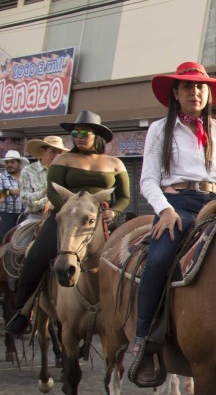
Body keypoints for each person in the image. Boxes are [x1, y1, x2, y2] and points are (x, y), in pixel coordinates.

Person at [125, 61, 216, 388]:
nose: (195, 92)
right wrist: (164, 210)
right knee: (158, 260)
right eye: (187, 87)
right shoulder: (161, 128)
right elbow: (147, 180)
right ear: (176, 92)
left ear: (208, 93)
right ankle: (145, 339)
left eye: (200, 87)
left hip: (215, 202)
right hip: (177, 205)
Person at [5, 112, 130, 335]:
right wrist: (66, 209)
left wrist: (114, 211)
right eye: (74, 132)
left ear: (96, 135)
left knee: (132, 258)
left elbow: (124, 196)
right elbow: (53, 190)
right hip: (64, 216)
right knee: (36, 255)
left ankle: (131, 312)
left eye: (84, 132)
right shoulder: (63, 159)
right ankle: (22, 311)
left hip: (99, 220)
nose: (78, 136)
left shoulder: (115, 162)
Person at [21, 136, 70, 221]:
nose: (57, 156)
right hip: (37, 216)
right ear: (42, 151)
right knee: (26, 234)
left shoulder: (65, 171)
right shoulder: (28, 171)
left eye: (59, 153)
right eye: (53, 152)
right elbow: (25, 199)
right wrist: (45, 192)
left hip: (63, 215)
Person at [0, 150, 29, 240]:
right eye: (7, 162)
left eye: (12, 162)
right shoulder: (1, 177)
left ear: (19, 163)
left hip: (25, 215)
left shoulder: (25, 177)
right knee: (3, 238)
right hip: (8, 215)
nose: (9, 165)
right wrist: (11, 192)